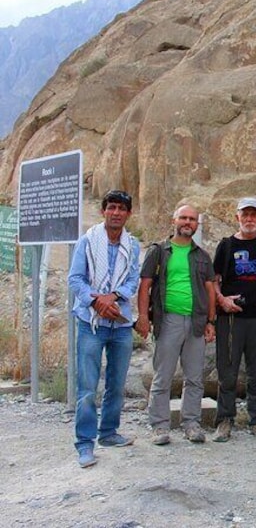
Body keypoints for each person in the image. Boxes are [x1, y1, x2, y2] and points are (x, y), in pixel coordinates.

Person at [68, 190, 140, 468]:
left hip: (120, 323)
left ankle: (108, 432)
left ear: (128, 214)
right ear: (104, 211)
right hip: (91, 323)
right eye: (112, 207)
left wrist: (113, 297)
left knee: (116, 383)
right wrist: (96, 300)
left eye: (122, 208)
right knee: (87, 386)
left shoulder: (131, 245)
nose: (116, 213)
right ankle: (85, 443)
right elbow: (75, 279)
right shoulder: (87, 241)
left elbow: (132, 280)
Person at [137, 204, 216, 445]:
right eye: (183, 217)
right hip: (168, 319)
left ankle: (191, 423)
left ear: (197, 225)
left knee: (194, 377)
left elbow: (210, 289)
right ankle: (160, 426)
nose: (187, 222)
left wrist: (211, 321)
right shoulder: (159, 251)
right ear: (174, 220)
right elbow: (145, 286)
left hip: (196, 321)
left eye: (192, 219)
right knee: (163, 375)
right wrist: (142, 317)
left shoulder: (202, 256)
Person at [212, 197, 256, 442]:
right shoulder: (226, 245)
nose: (249, 219)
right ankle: (225, 420)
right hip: (230, 317)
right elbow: (214, 279)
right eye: (245, 214)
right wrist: (221, 300)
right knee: (227, 370)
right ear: (237, 217)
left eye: (254, 214)